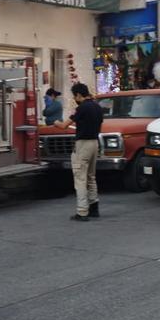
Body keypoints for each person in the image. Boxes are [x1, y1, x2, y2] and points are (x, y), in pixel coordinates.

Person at [54, 83, 103, 221]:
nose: (74, 99)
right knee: (91, 177)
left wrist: (56, 123)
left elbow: (64, 126)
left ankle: (82, 211)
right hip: (95, 142)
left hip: (83, 145)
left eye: (74, 96)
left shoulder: (81, 108)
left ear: (79, 95)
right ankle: (94, 207)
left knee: (80, 178)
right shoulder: (97, 107)